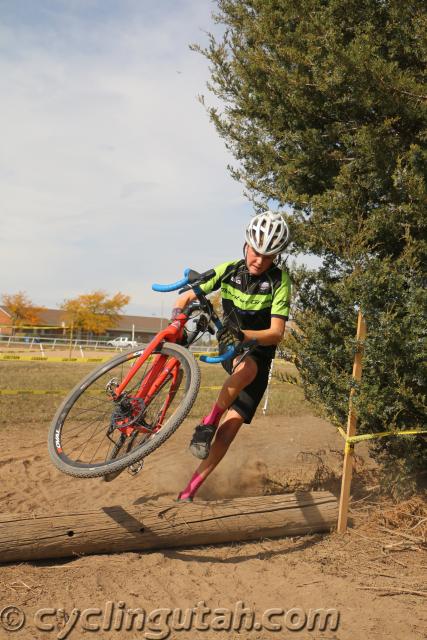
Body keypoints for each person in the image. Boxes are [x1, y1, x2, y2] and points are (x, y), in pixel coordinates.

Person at [171, 211, 292, 502]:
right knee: (245, 369)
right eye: (255, 251)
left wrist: (246, 335)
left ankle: (188, 492)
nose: (259, 260)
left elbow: (276, 333)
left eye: (268, 255)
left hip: (259, 351)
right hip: (231, 346)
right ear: (245, 244)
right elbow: (184, 297)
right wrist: (176, 322)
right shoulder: (228, 270)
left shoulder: (280, 281)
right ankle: (207, 423)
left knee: (228, 433)